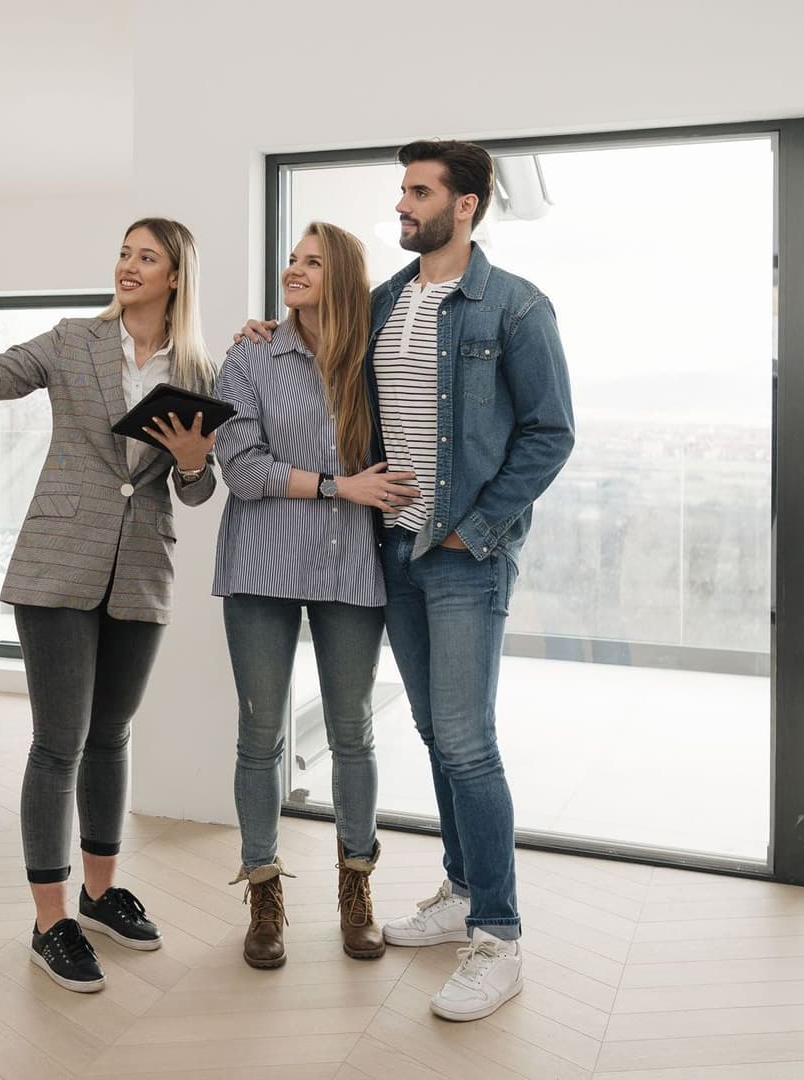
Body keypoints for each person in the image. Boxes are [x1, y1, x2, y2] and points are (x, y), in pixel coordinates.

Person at [238, 140, 574, 1021]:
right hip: (390, 551)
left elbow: (549, 432)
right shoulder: (385, 303)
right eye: (402, 191)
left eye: (419, 192)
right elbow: (316, 354)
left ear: (466, 206)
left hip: (463, 554)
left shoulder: (515, 306)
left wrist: (477, 528)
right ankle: (462, 892)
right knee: (432, 732)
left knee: (467, 741)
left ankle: (498, 937)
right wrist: (267, 330)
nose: (403, 205)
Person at [0, 218, 219, 994]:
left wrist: (189, 462)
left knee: (111, 736)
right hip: (54, 567)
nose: (129, 266)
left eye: (147, 257)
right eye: (123, 252)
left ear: (177, 276)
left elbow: (198, 489)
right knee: (59, 744)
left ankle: (102, 895)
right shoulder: (72, 338)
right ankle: (51, 923)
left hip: (141, 572)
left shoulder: (200, 370)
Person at [211, 222, 418, 969]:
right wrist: (341, 487)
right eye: (291, 259)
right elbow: (241, 467)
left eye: (312, 262)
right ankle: (265, 893)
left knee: (354, 731)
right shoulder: (250, 354)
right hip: (261, 566)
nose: (293, 269)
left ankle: (355, 888)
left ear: (346, 278)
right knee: (260, 733)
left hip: (349, 571)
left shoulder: (375, 362)